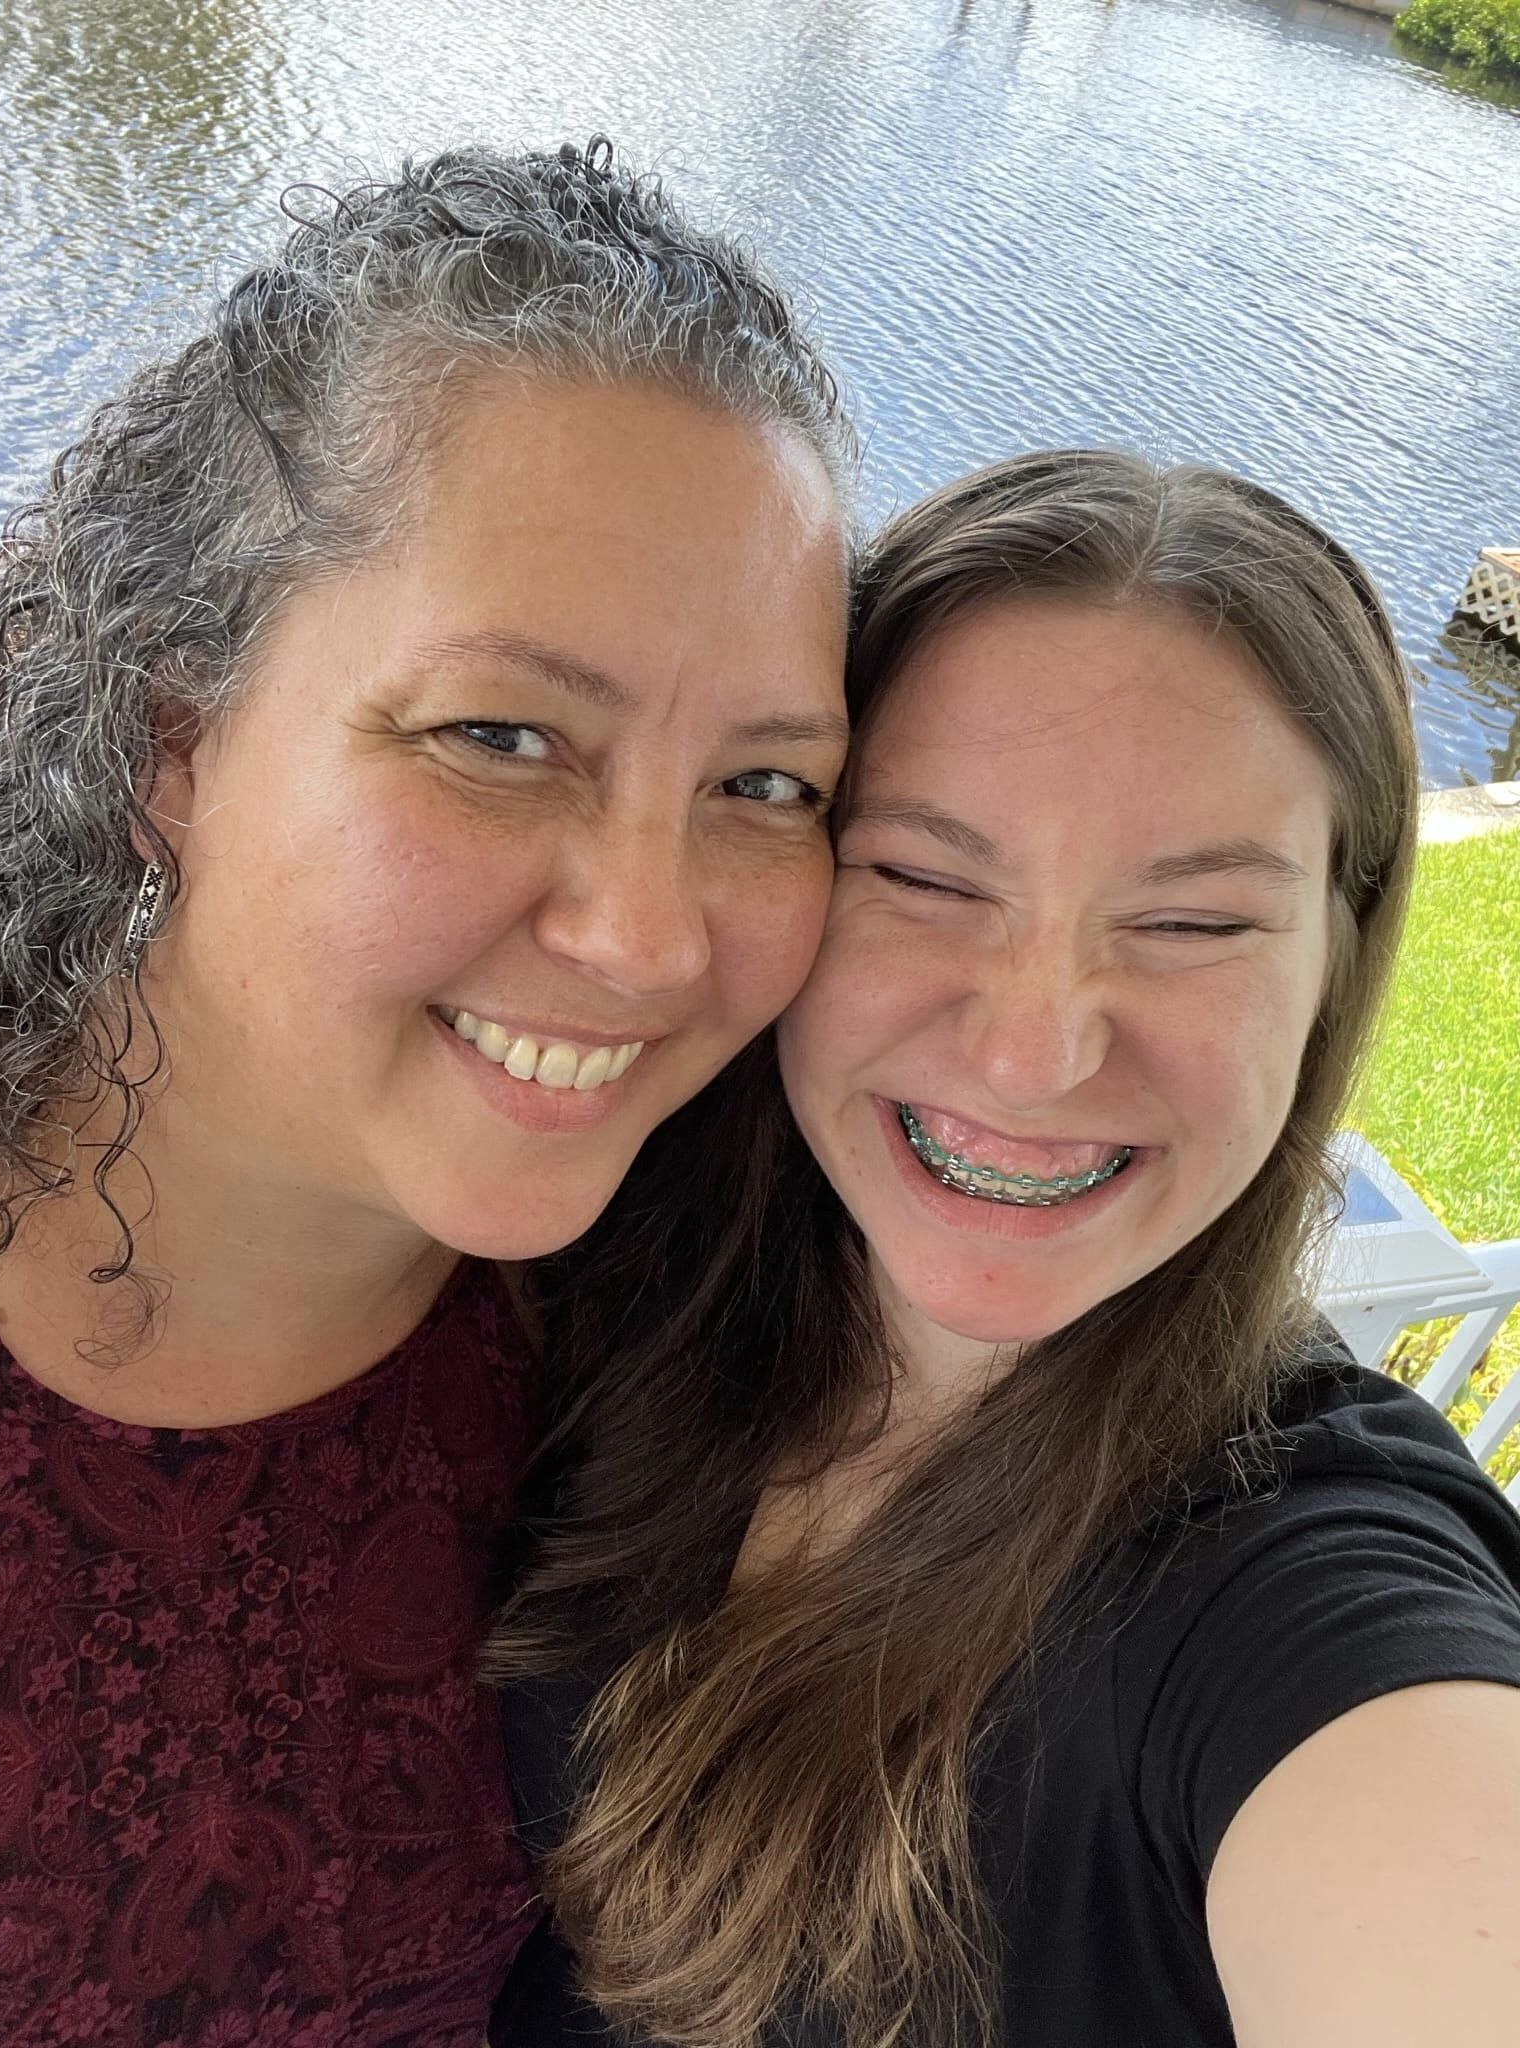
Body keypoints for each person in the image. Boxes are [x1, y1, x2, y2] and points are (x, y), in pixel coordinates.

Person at [0, 140, 854, 2046]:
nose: (648, 937)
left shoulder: (711, 1330)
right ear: (171, 743)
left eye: (767, 785)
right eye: (500, 735)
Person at [490, 449, 1520, 2047]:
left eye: (1190, 923)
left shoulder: (1295, 1591)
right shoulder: (620, 1262)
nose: (1035, 1054)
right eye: (920, 875)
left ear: (1336, 957)